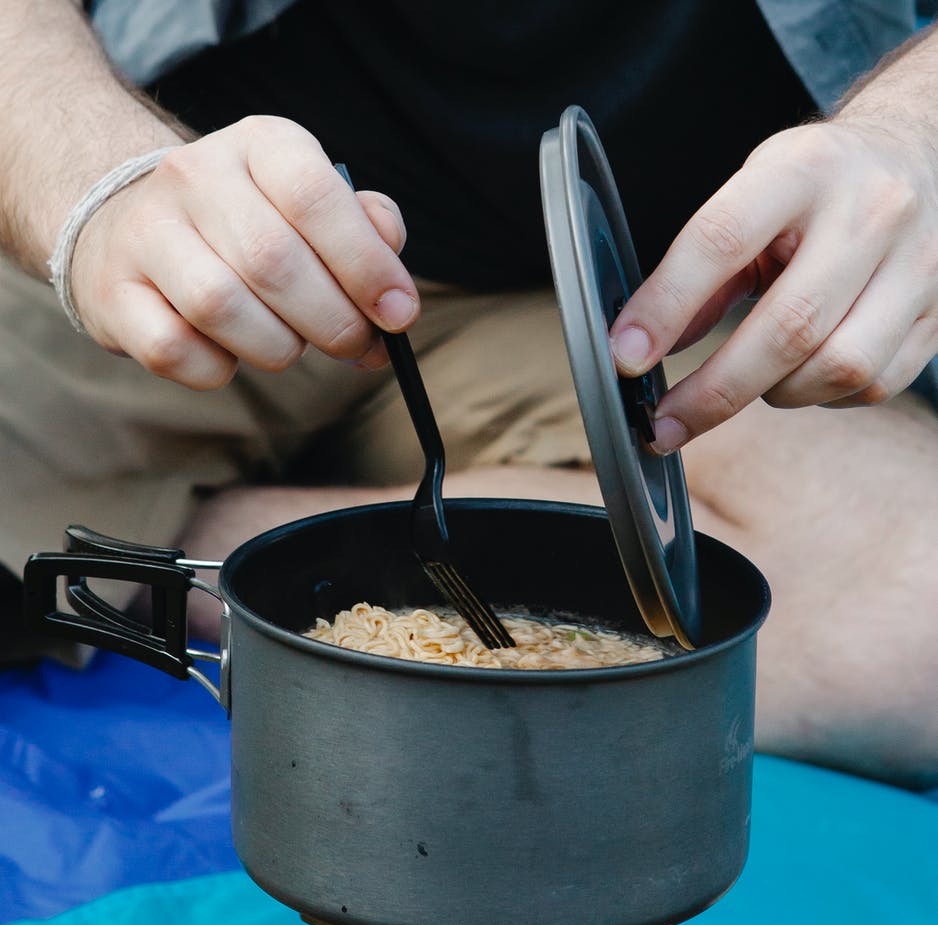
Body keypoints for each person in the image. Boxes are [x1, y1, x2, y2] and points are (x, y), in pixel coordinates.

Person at [0, 0, 936, 788]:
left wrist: (914, 134)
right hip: (178, 223)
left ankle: (191, 540)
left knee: (913, 616)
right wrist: (96, 186)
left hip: (640, 312)